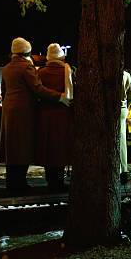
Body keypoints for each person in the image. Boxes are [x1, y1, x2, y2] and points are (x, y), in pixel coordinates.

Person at [0, 37, 69, 193]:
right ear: (26, 51)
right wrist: (60, 97)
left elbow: (4, 91)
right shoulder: (27, 67)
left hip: (9, 112)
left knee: (12, 148)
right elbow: (38, 89)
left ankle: (12, 182)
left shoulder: (6, 68)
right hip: (24, 112)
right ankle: (20, 184)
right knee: (22, 147)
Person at [36, 44, 75, 190]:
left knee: (48, 147)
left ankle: (50, 178)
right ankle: (59, 178)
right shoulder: (68, 70)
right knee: (61, 147)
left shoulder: (41, 72)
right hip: (63, 114)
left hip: (45, 114)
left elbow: (37, 92)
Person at [117, 69, 131, 184]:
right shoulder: (126, 75)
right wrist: (126, 106)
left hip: (109, 109)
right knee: (122, 140)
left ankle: (116, 169)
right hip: (122, 108)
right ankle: (123, 170)